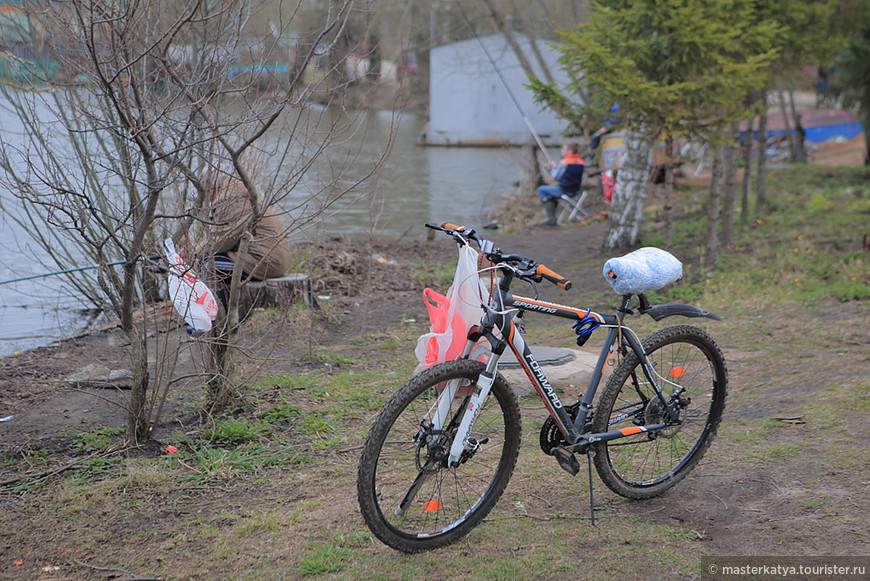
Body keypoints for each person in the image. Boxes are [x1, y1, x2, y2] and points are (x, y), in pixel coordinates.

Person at [194, 176, 292, 302]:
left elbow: (223, 240)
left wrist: (195, 252)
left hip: (265, 263)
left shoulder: (232, 200)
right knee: (209, 259)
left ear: (210, 190)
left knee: (206, 264)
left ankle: (215, 306)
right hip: (270, 261)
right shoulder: (240, 193)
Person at [536, 142, 584, 226]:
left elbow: (555, 177)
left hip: (565, 190)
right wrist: (556, 167)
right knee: (550, 194)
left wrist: (552, 169)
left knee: (541, 190)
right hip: (576, 190)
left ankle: (550, 218)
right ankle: (551, 217)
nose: (561, 151)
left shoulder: (565, 162)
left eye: (563, 149)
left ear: (569, 151)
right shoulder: (580, 161)